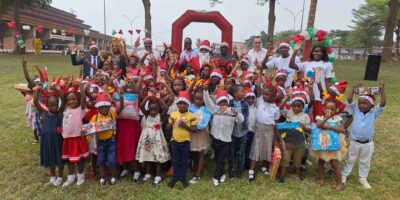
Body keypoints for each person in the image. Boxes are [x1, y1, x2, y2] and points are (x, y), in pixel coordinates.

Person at [342, 82, 386, 189]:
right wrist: (353, 89)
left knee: (365, 161)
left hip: (368, 144)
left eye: (364, 103)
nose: (361, 105)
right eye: (360, 103)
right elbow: (349, 99)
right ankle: (344, 175)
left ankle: (362, 177)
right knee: (350, 159)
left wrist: (382, 90)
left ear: (371, 105)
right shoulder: (356, 111)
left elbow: (383, 103)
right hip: (354, 142)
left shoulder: (374, 113)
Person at [203, 88, 244, 186]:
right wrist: (205, 91)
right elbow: (208, 102)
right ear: (217, 103)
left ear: (228, 102)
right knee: (217, 158)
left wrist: (236, 113)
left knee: (221, 158)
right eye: (220, 102)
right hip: (216, 138)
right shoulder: (215, 110)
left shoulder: (232, 111)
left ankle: (216, 177)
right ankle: (222, 173)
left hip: (226, 139)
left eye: (225, 102)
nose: (223, 104)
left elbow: (241, 120)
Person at [289, 41, 334, 121]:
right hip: (307, 97)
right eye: (315, 51)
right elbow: (291, 65)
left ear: (323, 53)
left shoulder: (327, 64)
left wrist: (328, 96)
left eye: (319, 51)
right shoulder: (307, 64)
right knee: (304, 120)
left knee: (317, 120)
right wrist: (295, 51)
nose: (316, 53)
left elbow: (328, 82)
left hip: (320, 97)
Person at [248, 72, 280, 181]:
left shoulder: (275, 108)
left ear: (273, 97)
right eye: (264, 94)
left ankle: (264, 167)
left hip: (270, 130)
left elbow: (275, 123)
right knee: (256, 148)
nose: (265, 96)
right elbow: (258, 86)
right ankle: (251, 171)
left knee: (267, 149)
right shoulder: (260, 101)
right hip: (259, 129)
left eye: (267, 95)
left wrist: (276, 137)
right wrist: (260, 72)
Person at [34, 83, 65, 186]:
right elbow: (35, 101)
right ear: (47, 105)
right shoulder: (43, 113)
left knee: (59, 158)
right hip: (47, 141)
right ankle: (52, 176)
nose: (55, 107)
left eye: (56, 105)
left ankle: (60, 177)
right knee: (50, 158)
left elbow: (64, 101)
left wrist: (59, 90)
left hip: (57, 141)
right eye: (52, 105)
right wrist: (38, 90)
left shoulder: (59, 113)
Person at [312, 101, 347, 191]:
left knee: (334, 163)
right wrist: (326, 119)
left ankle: (340, 183)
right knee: (321, 161)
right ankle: (321, 178)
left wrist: (329, 127)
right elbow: (319, 125)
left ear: (336, 110)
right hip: (322, 144)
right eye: (327, 108)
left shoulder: (338, 118)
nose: (329, 111)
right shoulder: (320, 117)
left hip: (333, 145)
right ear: (323, 109)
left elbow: (342, 130)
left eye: (332, 109)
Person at [90, 92, 124, 185]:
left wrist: (121, 98)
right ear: (98, 108)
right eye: (101, 107)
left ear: (109, 107)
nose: (104, 109)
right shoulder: (95, 117)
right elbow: (90, 129)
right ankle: (103, 177)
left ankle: (113, 176)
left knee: (112, 160)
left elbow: (120, 109)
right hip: (100, 141)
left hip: (111, 140)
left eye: (106, 107)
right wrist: (86, 131)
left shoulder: (112, 114)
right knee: (101, 160)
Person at [137, 95, 171, 185]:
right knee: (148, 156)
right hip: (147, 140)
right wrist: (147, 98)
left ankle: (158, 175)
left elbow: (166, 108)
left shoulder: (160, 116)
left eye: (155, 110)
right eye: (151, 110)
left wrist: (160, 99)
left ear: (158, 110)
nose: (152, 112)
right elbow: (141, 105)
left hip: (157, 140)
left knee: (157, 158)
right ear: (148, 109)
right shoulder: (147, 115)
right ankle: (148, 174)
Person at [278, 90, 311, 183]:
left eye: (299, 106)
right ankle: (282, 176)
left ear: (303, 107)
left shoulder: (305, 116)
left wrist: (304, 127)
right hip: (288, 141)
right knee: (286, 158)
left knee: (298, 159)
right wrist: (287, 98)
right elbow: (278, 109)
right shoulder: (288, 113)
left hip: (300, 141)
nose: (296, 108)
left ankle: (298, 175)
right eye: (294, 106)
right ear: (291, 106)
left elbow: (310, 129)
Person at [167, 91, 198, 188]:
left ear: (188, 104)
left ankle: (183, 177)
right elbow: (168, 126)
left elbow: (195, 130)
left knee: (184, 160)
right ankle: (175, 177)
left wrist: (184, 125)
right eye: (180, 103)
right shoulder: (173, 114)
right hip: (175, 141)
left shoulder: (191, 116)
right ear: (177, 104)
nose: (182, 105)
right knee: (176, 160)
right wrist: (171, 123)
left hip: (185, 142)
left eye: (184, 103)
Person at [61, 83, 89, 187]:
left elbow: (83, 98)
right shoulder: (66, 109)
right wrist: (64, 87)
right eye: (69, 100)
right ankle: (70, 176)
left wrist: (81, 86)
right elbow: (63, 98)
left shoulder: (81, 110)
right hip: (67, 139)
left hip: (78, 138)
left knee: (80, 159)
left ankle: (81, 176)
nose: (71, 101)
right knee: (70, 159)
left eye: (74, 99)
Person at [188, 89, 212, 184]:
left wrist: (199, 126)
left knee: (201, 153)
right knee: (194, 152)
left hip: (201, 134)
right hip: (192, 133)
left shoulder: (206, 110)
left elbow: (205, 121)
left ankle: (198, 173)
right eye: (196, 99)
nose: (198, 101)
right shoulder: (190, 108)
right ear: (193, 99)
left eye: (201, 99)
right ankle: (195, 167)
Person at [228, 84, 249, 179]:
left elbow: (245, 118)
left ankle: (239, 171)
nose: (244, 93)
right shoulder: (229, 103)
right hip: (232, 133)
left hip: (243, 132)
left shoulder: (245, 104)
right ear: (235, 93)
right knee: (231, 153)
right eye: (242, 91)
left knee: (241, 153)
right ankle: (231, 171)